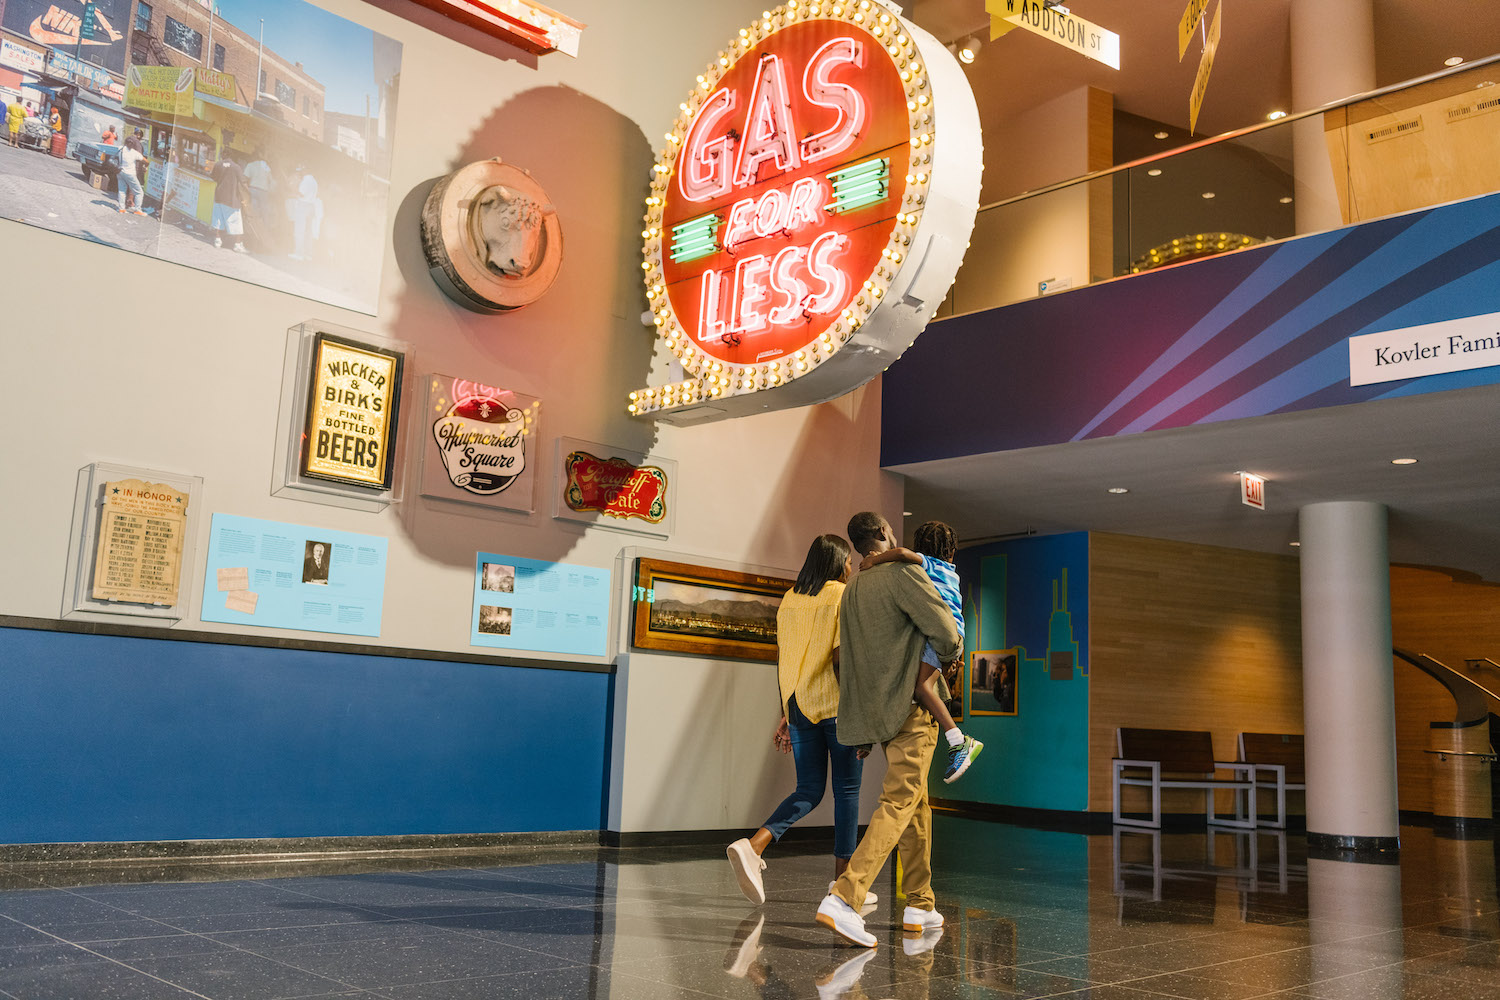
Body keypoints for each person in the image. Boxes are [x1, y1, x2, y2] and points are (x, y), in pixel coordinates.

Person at [816, 511, 960, 949]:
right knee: (899, 801)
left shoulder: (855, 585)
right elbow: (947, 632)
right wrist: (947, 657)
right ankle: (845, 896)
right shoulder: (903, 573)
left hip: (877, 713)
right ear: (882, 533)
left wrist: (859, 724)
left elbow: (852, 655)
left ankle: (920, 902)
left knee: (916, 804)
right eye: (890, 529)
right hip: (914, 708)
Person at [726, 534, 877, 909]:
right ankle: (843, 885)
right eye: (846, 561)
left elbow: (785, 661)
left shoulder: (789, 600)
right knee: (846, 793)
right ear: (837, 562)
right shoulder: (841, 596)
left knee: (809, 789)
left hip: (798, 705)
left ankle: (755, 844)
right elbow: (841, 660)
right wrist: (860, 712)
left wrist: (786, 711)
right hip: (836, 706)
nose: (848, 567)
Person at [858, 520, 983, 783]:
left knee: (922, 687)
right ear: (951, 551)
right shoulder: (950, 570)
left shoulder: (927, 564)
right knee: (925, 684)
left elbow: (902, 554)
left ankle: (959, 741)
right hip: (953, 633)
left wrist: (875, 561)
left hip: (943, 634)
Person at [209, 149, 248, 252]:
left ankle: (217, 241)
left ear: (223, 155)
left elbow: (213, 177)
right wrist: (249, 194)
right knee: (237, 222)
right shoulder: (236, 167)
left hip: (219, 196)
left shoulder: (218, 164)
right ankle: (237, 244)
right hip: (232, 199)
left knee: (218, 219)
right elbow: (243, 182)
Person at [287, 165, 322, 261]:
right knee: (308, 231)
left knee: (299, 230)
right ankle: (308, 254)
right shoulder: (314, 181)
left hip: (303, 205)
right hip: (311, 206)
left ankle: (298, 253)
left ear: (305, 170)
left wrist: (293, 186)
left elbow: (301, 193)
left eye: (301, 171)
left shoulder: (306, 180)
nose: (300, 173)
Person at [115, 140, 147, 216]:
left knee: (122, 190)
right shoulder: (134, 153)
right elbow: (146, 161)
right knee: (139, 192)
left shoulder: (120, 149)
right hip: (130, 174)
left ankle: (121, 209)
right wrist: (146, 166)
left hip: (119, 171)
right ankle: (137, 210)